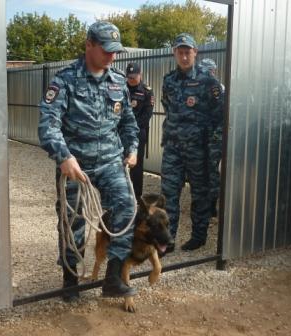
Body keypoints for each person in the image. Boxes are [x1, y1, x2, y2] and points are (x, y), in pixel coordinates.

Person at [38, 21, 139, 302]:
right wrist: (64, 157)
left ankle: (113, 278)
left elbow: (129, 123)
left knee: (126, 207)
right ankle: (70, 279)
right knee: (72, 221)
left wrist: (132, 148)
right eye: (106, 50)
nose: (111, 57)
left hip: (109, 161)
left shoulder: (118, 81)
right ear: (89, 46)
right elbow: (48, 125)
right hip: (75, 165)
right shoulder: (65, 80)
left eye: (115, 51)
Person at [161, 33, 224, 252]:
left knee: (200, 194)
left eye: (188, 52)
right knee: (168, 194)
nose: (184, 56)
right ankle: (167, 240)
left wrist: (213, 150)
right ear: (174, 53)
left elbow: (219, 118)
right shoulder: (168, 80)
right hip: (173, 149)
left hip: (199, 150)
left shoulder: (208, 81)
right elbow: (168, 108)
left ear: (195, 53)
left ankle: (198, 236)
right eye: (180, 52)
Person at [125, 62, 155, 200]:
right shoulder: (121, 88)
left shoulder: (146, 91)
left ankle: (136, 196)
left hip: (138, 133)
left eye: (134, 77)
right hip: (120, 134)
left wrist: (131, 127)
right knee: (118, 163)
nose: (131, 79)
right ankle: (121, 193)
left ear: (140, 75)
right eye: (129, 77)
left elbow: (147, 114)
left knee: (136, 166)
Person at [199, 58, 224, 218]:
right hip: (203, 134)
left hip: (214, 135)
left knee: (212, 172)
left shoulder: (216, 87)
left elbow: (219, 113)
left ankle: (211, 206)